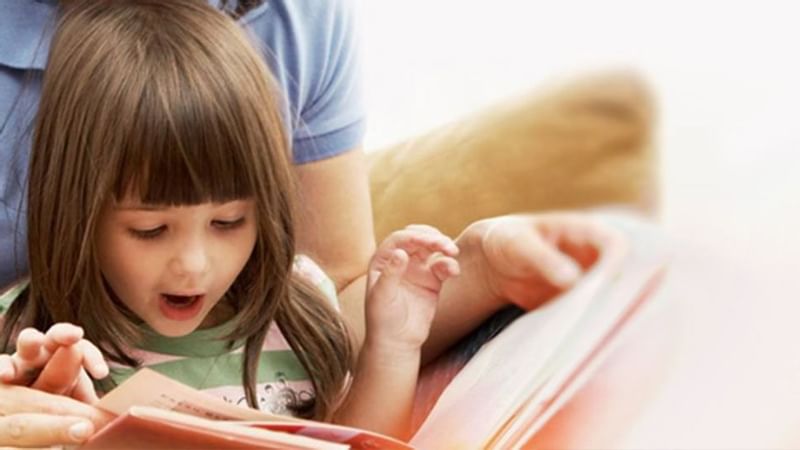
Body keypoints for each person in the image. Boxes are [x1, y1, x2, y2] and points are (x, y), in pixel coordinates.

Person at [0, 0, 621, 447]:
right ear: (76, 212)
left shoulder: (296, 308)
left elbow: (360, 438)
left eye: (229, 222)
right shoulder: (40, 340)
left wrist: (394, 345)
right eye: (149, 231)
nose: (194, 264)